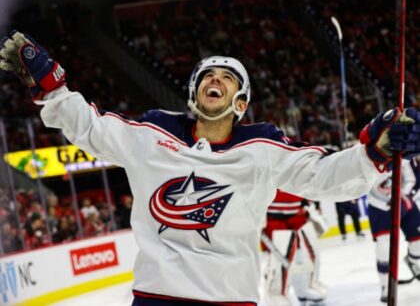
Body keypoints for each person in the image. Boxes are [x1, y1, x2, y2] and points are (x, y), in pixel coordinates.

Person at [1, 31, 420, 306]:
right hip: (156, 298)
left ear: (240, 103)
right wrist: (53, 88)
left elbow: (327, 176)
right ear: (193, 93)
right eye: (207, 75)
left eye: (227, 77)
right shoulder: (151, 134)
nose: (214, 80)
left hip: (230, 299)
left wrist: (376, 148)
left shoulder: (263, 147)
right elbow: (90, 127)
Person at [367, 160, 420, 303]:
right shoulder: (367, 155)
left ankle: (413, 261)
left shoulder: (404, 152)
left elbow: (410, 179)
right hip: (379, 207)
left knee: (418, 240)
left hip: (403, 202)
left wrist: (401, 195)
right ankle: (385, 285)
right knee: (384, 247)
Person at [263, 190, 328, 306]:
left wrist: (313, 201)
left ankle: (307, 286)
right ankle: (276, 294)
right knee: (280, 256)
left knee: (306, 251)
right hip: (272, 213)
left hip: (299, 211)